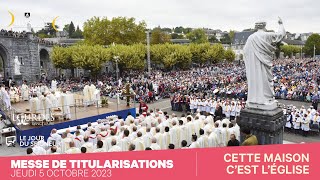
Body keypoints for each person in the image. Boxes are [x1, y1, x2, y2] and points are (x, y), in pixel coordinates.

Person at [243, 18, 285, 109]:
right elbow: (280, 35)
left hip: (255, 65)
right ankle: (264, 99)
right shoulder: (267, 35)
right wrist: (281, 24)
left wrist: (251, 61)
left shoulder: (251, 38)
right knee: (263, 80)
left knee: (256, 80)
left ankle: (256, 99)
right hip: (263, 63)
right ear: (264, 26)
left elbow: (245, 52)